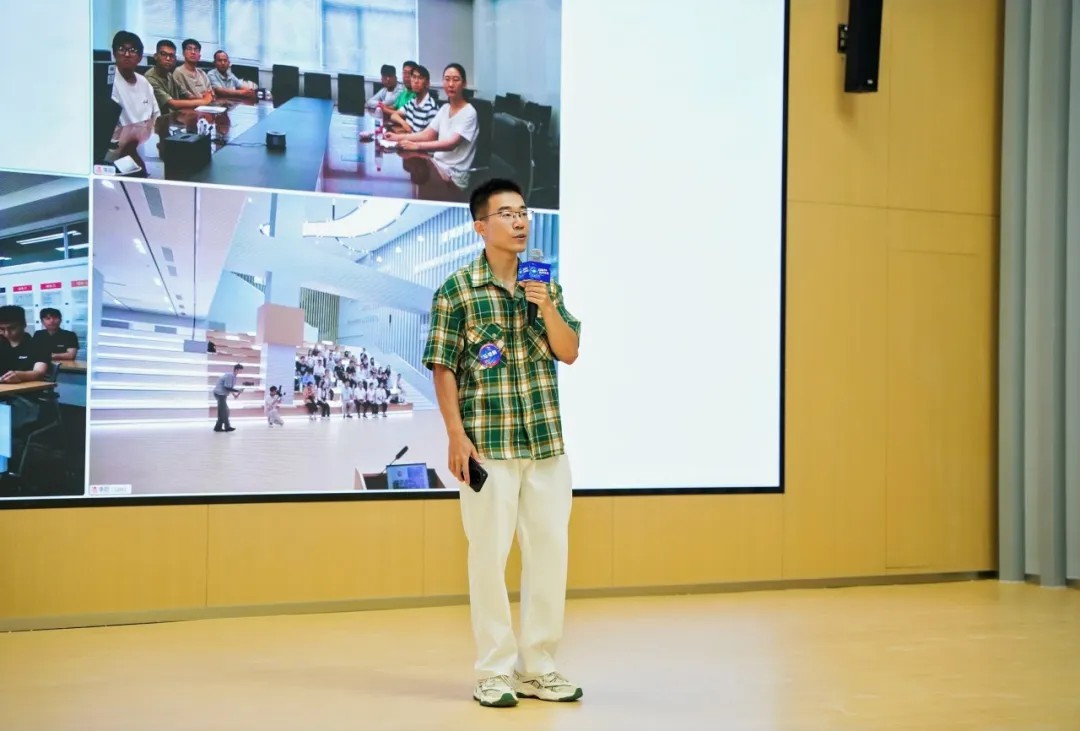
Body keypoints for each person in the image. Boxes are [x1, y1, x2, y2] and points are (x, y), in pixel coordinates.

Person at [422, 178, 582, 708]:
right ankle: (494, 670)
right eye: (507, 213)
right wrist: (455, 435)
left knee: (550, 555)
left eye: (524, 212)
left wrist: (546, 307)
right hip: (487, 446)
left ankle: (538, 666)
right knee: (488, 557)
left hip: (545, 445)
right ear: (480, 226)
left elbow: (569, 351)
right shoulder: (457, 290)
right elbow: (443, 366)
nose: (519, 221)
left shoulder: (546, 287)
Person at [385, 63, 478, 190]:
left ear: (464, 84)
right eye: (447, 79)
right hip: (437, 165)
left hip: (453, 177)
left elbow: (451, 144)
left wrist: (417, 146)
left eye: (456, 79)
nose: (451, 84)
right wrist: (396, 137)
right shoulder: (445, 108)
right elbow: (427, 134)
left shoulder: (469, 112)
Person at [145, 39, 211, 113]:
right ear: (156, 56)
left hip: (175, 116)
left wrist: (205, 98)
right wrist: (204, 101)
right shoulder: (150, 78)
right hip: (158, 118)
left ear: (175, 59)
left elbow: (187, 95)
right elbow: (173, 104)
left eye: (171, 56)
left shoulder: (169, 75)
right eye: (163, 54)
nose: (168, 58)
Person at [109, 31, 159, 125]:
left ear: (140, 57)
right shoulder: (110, 83)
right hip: (122, 134)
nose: (127, 54)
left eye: (132, 50)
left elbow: (156, 115)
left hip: (148, 132)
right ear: (114, 54)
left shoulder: (144, 82)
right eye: (121, 49)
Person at [0, 306, 50, 384]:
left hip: (27, 389)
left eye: (12, 328)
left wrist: (21, 375)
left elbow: (39, 373)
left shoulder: (39, 345)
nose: (7, 333)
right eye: (2, 329)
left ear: (24, 324)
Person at [391, 65, 438, 134]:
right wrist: (404, 124)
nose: (416, 81)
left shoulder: (431, 108)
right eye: (414, 77)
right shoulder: (412, 101)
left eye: (420, 78)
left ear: (427, 84)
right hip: (406, 138)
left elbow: (428, 137)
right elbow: (394, 115)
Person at [212, 363, 243, 432]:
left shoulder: (234, 377)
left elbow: (230, 387)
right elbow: (227, 387)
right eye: (241, 370)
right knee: (223, 411)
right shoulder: (230, 376)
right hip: (220, 394)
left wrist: (234, 395)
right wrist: (237, 390)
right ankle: (222, 427)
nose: (241, 372)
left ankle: (222, 427)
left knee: (225, 411)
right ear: (236, 370)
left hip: (222, 394)